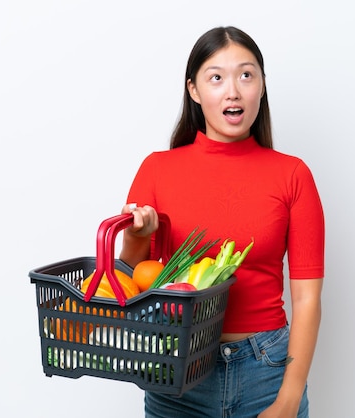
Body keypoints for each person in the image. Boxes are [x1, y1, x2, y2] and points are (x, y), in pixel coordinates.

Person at [119, 26, 325, 418]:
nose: (233, 91)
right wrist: (135, 237)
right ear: (194, 91)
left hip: (266, 370)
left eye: (246, 75)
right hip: (175, 371)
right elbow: (127, 283)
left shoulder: (293, 175)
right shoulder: (157, 170)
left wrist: (288, 399)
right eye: (216, 78)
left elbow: (307, 298)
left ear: (261, 87)